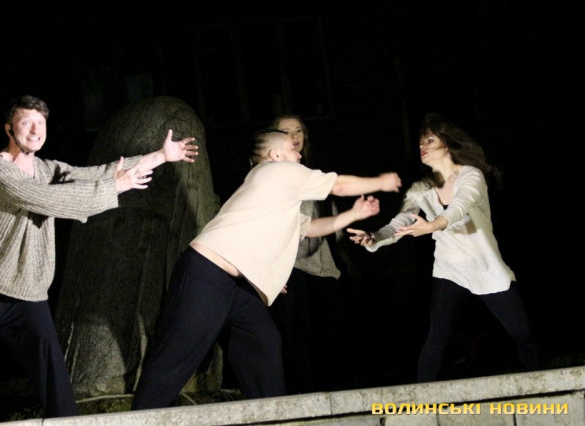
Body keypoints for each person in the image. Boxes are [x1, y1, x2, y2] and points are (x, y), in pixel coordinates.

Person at [0, 94, 198, 425]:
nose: (35, 130)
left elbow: (98, 173)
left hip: (26, 288)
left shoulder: (46, 169)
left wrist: (160, 156)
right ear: (9, 129)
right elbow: (45, 199)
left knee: (53, 376)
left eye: (41, 123)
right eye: (26, 123)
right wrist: (114, 188)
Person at [131, 128, 402, 410]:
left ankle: (272, 416)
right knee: (177, 354)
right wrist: (380, 181)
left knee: (262, 342)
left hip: (237, 287)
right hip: (207, 273)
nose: (299, 154)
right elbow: (340, 186)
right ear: (275, 155)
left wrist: (353, 214)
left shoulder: (273, 192)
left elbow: (310, 228)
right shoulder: (279, 171)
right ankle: (141, 418)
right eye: (292, 148)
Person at [347, 113, 539, 383]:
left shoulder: (471, 176)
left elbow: (460, 205)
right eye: (420, 142)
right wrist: (374, 237)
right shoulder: (421, 188)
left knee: (522, 333)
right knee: (437, 337)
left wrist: (434, 225)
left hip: (485, 265)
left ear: (447, 145)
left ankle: (539, 385)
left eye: (429, 140)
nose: (422, 146)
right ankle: (423, 400)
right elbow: (400, 222)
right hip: (450, 268)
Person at [267, 115, 354, 393]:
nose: (294, 137)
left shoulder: (315, 174)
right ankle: (300, 395)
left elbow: (331, 216)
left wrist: (345, 249)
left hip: (321, 261)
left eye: (298, 131)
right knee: (295, 335)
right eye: (286, 131)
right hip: (288, 264)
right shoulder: (269, 175)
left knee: (328, 329)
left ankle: (332, 391)